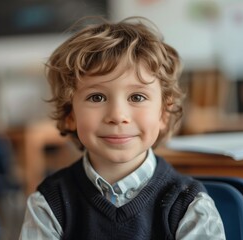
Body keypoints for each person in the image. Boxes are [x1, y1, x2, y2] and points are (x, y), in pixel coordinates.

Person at [19, 16, 225, 240]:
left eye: (137, 96)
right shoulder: (48, 203)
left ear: (163, 114)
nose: (117, 116)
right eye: (96, 97)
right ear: (70, 115)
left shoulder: (189, 205)